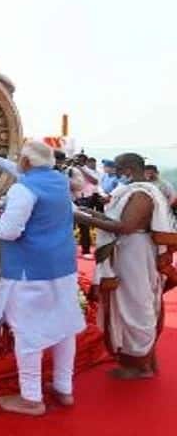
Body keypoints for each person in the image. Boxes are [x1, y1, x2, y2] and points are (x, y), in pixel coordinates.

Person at [0, 140, 86, 415]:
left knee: (27, 332)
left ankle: (32, 398)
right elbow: (23, 172)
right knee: (64, 326)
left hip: (30, 271)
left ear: (26, 162)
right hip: (62, 267)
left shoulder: (23, 189)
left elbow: (10, 231)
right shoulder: (58, 180)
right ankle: (63, 387)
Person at [75, 152, 176, 379]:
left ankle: (140, 365)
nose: (117, 172)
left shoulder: (141, 193)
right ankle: (143, 360)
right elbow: (116, 221)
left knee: (136, 305)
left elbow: (126, 226)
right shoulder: (134, 190)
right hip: (130, 251)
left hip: (135, 253)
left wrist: (85, 220)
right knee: (132, 303)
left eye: (120, 167)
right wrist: (88, 212)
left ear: (130, 168)